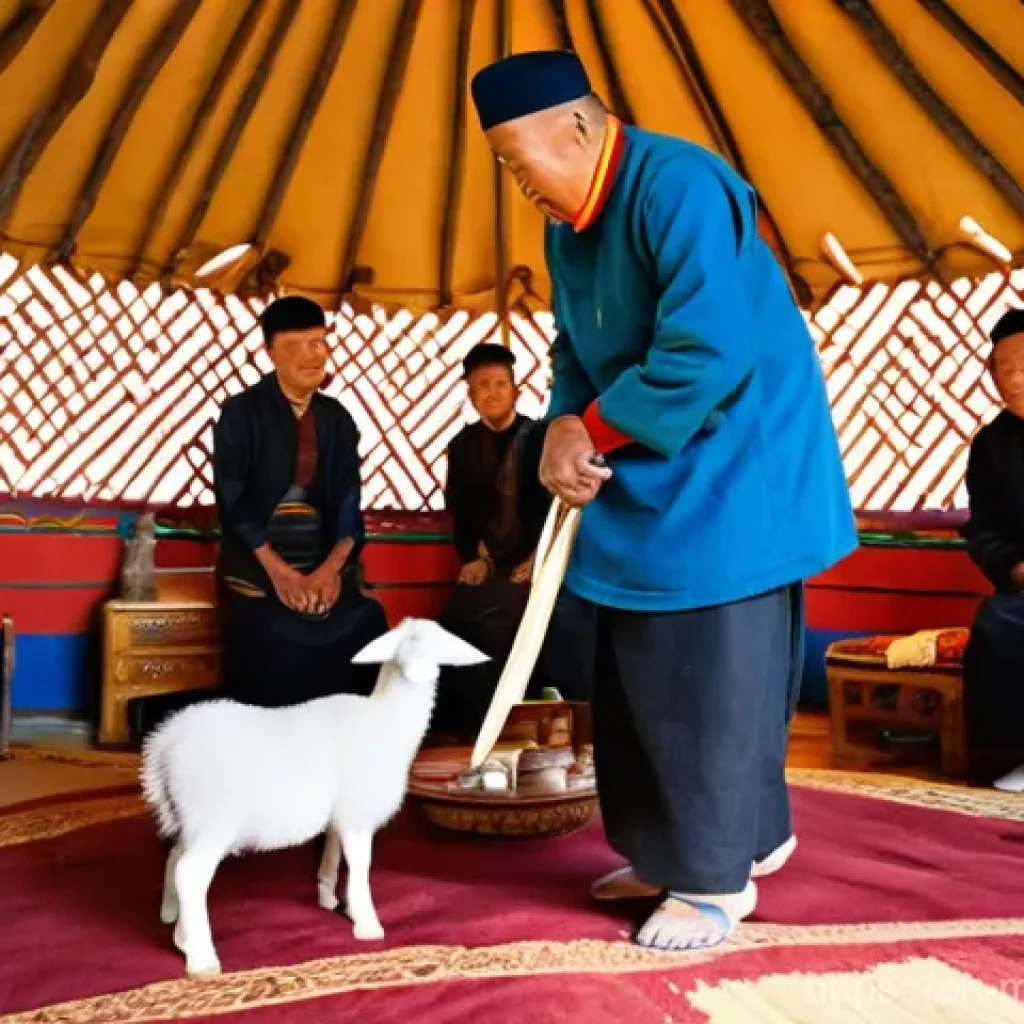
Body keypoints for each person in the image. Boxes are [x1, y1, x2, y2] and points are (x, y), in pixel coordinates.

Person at [470, 51, 857, 951]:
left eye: (515, 156)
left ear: (576, 125)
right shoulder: (566, 232)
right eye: (499, 163)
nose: (514, 179)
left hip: (734, 464)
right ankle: (683, 848)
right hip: (646, 461)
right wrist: (564, 423)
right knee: (642, 668)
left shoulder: (680, 186)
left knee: (712, 678)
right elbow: (573, 348)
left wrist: (588, 432)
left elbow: (706, 354)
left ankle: (718, 882)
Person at [211, 295, 388, 707]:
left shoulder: (336, 418)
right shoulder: (241, 413)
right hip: (259, 572)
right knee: (274, 634)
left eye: (322, 342)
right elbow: (233, 502)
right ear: (271, 351)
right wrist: (282, 575)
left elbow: (348, 500)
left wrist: (328, 572)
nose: (317, 354)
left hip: (322, 568)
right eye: (303, 344)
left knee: (366, 620)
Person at [432, 342, 591, 736]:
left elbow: (559, 508)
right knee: (453, 619)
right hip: (491, 564)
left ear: (515, 389)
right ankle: (463, 731)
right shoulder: (462, 447)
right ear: (470, 394)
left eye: (500, 384)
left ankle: (506, 727)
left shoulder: (540, 438)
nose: (491, 393)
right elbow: (463, 514)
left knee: (502, 622)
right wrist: (473, 557)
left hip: (543, 563)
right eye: (481, 386)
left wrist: (538, 561)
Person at [962, 308, 1024, 791]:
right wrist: (1014, 568)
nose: (1015, 378)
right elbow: (981, 529)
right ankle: (1011, 758)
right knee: (997, 621)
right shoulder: (991, 445)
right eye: (1004, 368)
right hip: (1023, 587)